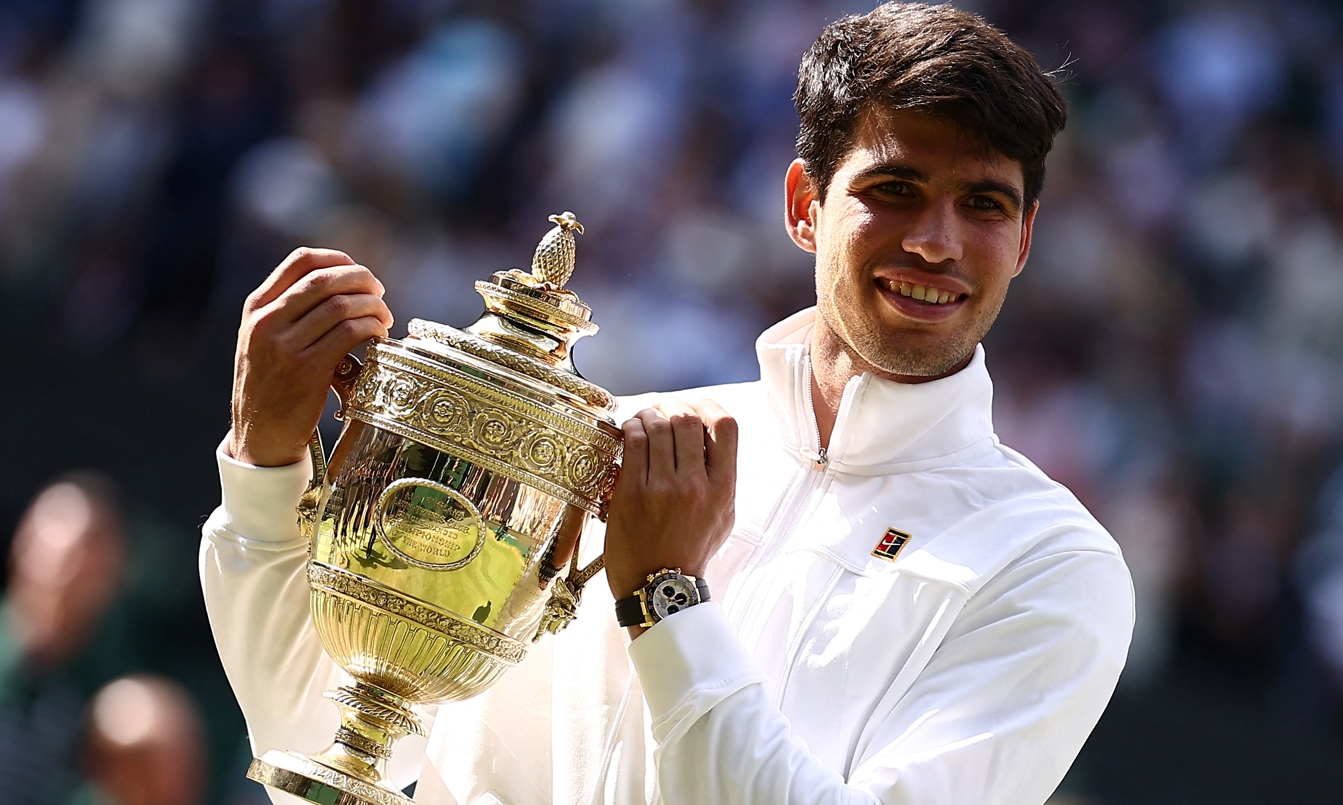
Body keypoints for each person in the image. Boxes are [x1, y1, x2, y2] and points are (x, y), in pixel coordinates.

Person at [201, 4, 1134, 804]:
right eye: (894, 190)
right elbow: (331, 728)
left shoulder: (1049, 565)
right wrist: (265, 461)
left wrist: (664, 602)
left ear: (1023, 239)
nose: (937, 241)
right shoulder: (604, 439)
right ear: (804, 204)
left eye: (983, 204)